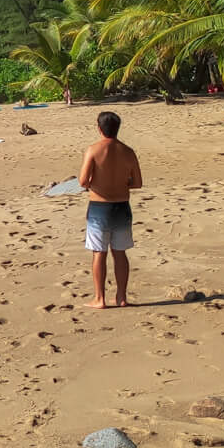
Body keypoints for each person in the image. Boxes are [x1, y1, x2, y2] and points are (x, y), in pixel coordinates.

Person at [77, 111, 142, 309]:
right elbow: (137, 182)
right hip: (121, 206)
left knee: (99, 252)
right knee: (120, 253)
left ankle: (100, 298)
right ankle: (121, 297)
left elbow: (82, 181)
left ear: (99, 128)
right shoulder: (128, 151)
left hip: (99, 207)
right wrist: (122, 184)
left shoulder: (93, 150)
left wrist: (98, 183)